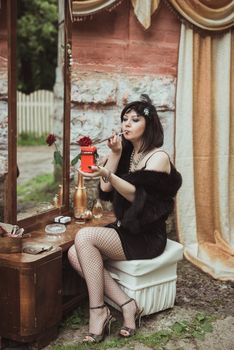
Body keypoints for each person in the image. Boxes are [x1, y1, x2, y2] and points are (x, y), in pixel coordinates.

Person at [68, 94, 182, 343]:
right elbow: (106, 190)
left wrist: (108, 171)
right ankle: (127, 304)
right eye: (124, 119)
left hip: (147, 236)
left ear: (148, 125)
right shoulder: (128, 153)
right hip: (126, 230)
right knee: (73, 253)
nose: (126, 124)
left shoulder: (158, 157)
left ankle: (97, 312)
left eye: (134, 119)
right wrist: (116, 154)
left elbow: (136, 195)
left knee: (84, 236)